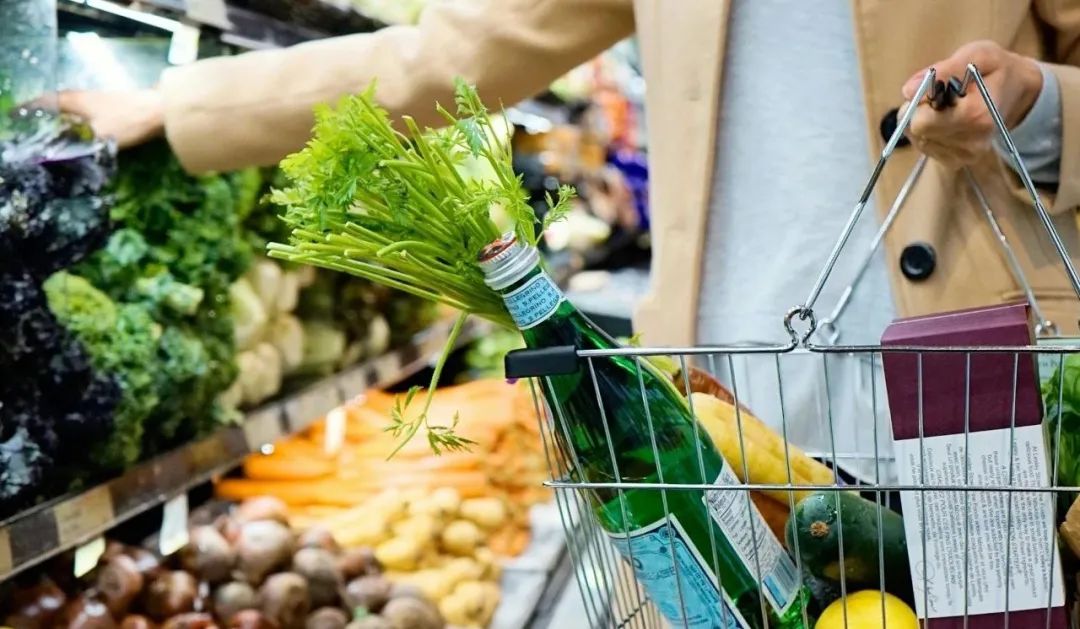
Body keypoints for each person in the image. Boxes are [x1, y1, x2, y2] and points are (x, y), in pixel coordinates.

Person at [60, 0, 1080, 482]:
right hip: (724, 397)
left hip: (988, 382)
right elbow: (448, 57)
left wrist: (1034, 111)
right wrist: (183, 105)